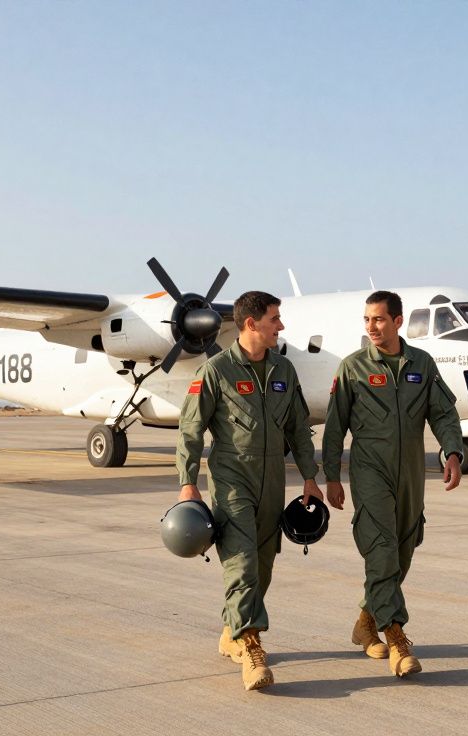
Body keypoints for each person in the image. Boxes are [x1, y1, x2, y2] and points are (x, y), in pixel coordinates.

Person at [176, 290, 322, 692]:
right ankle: (252, 645)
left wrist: (310, 476)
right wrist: (188, 483)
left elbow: (298, 428)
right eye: (275, 319)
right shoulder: (215, 372)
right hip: (231, 480)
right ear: (251, 324)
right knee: (240, 563)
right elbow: (190, 431)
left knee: (262, 566)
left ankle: (231, 629)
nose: (282, 326)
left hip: (273, 480)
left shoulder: (283, 371)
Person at [322, 290, 464, 678]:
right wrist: (332, 476)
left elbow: (443, 413)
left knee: (402, 551)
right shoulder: (352, 367)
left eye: (379, 319)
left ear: (398, 321)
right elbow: (335, 428)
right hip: (370, 471)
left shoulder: (422, 363)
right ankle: (397, 637)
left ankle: (366, 622)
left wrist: (453, 451)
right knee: (381, 549)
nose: (372, 327)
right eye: (367, 320)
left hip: (411, 474)